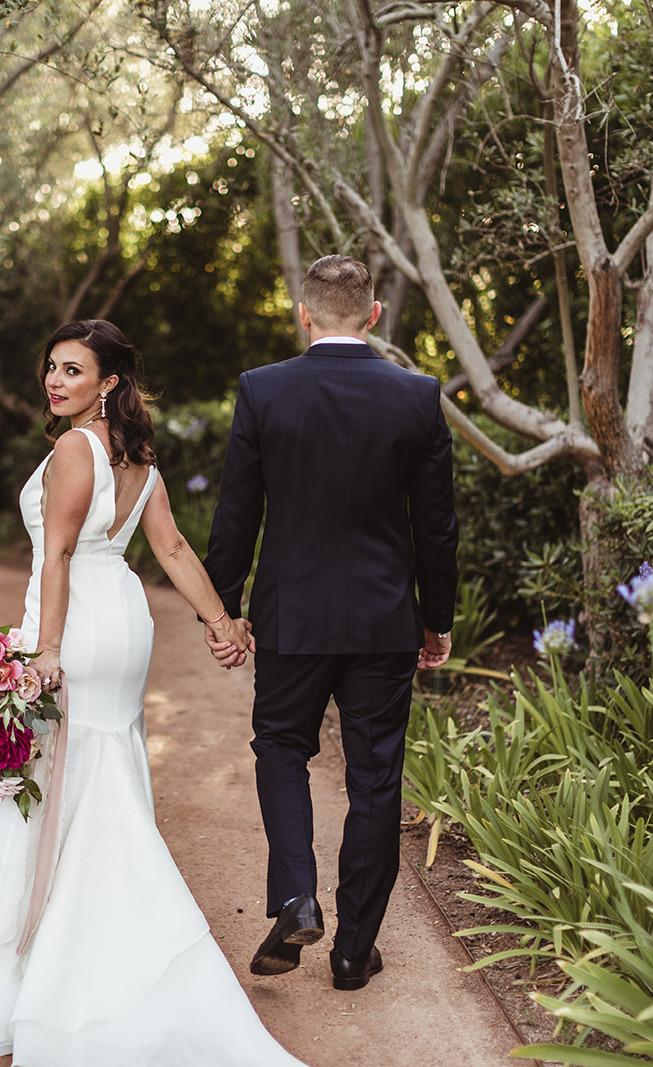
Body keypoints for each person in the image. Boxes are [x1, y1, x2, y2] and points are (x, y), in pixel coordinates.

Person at [0, 319, 307, 1066]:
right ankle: (91, 939)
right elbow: (172, 549)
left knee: (66, 781)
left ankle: (79, 968)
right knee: (100, 774)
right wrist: (219, 620)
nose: (56, 382)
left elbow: (58, 552)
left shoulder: (73, 448)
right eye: (52, 368)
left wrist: (49, 649)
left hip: (81, 624)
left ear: (110, 382)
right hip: (120, 616)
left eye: (74, 370)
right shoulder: (138, 462)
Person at [203, 255, 459, 992]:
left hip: (292, 617)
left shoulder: (264, 390)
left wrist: (226, 609)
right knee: (376, 776)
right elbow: (436, 527)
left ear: (305, 313)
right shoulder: (417, 397)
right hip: (384, 622)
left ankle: (295, 897)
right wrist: (434, 619)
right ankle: (354, 950)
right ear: (374, 314)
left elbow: (236, 511)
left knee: (282, 747)